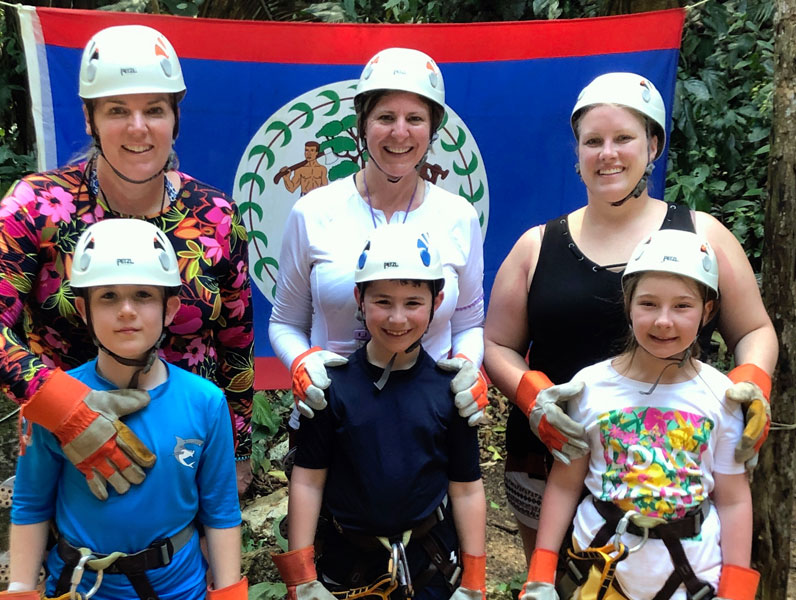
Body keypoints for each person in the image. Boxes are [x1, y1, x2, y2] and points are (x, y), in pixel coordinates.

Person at [482, 72, 777, 561]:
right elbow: (496, 345)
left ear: (653, 144)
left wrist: (751, 386)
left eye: (623, 138)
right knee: (555, 581)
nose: (608, 153)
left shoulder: (702, 234)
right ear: (576, 153)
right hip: (553, 454)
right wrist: (533, 400)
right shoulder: (537, 246)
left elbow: (754, 329)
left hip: (674, 469)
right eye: (592, 141)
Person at [0, 24, 254, 497]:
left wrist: (236, 450)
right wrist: (62, 407)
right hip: (71, 456)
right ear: (90, 120)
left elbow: (236, 340)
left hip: (186, 452)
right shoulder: (38, 206)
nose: (138, 127)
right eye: (117, 110)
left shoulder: (214, 217)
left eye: (154, 109)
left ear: (175, 117)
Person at [0, 219, 245, 600]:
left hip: (178, 589)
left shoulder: (205, 402)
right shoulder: (54, 402)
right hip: (80, 587)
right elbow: (31, 504)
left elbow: (220, 511)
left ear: (170, 310)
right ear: (84, 311)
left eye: (142, 295)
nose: (126, 311)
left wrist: (229, 593)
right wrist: (20, 590)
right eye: (108, 297)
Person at [520, 229, 759, 600]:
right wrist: (541, 574)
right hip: (600, 570)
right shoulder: (590, 387)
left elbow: (733, 499)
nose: (664, 321)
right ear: (628, 304)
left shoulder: (721, 396)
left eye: (682, 306)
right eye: (648, 304)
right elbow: (566, 483)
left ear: (707, 310)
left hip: (690, 577)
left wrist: (737, 590)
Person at [269, 47, 488, 434]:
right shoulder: (313, 212)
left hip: (428, 421)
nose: (399, 132)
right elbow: (285, 321)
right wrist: (302, 363)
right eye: (385, 117)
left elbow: (469, 323)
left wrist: (469, 369)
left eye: (415, 119)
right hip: (330, 418)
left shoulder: (459, 217)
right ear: (362, 124)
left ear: (433, 129)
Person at [272, 224, 487, 600]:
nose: (398, 319)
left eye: (413, 303)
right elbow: (307, 481)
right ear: (360, 299)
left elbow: (466, 488)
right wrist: (301, 577)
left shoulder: (449, 392)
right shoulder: (330, 390)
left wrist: (474, 580)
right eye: (383, 302)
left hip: (430, 565)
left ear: (437, 303)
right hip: (345, 566)